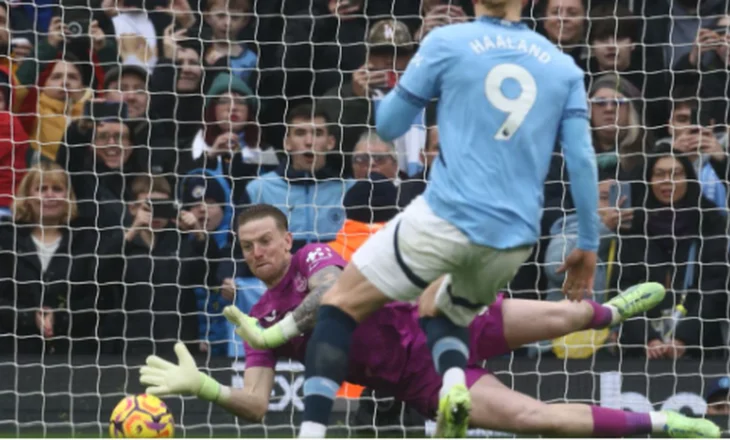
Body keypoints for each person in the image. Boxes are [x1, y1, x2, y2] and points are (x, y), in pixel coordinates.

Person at [138, 204, 720, 438]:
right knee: (532, 417)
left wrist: (281, 330)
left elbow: (325, 294)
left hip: (441, 316)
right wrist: (208, 388)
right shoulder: (258, 314)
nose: (257, 252)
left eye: (266, 240)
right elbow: (258, 403)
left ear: (288, 238)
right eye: (247, 247)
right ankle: (665, 424)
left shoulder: (316, 257)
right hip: (419, 382)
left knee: (564, 316)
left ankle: (611, 309)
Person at [299, 0, 601, 436]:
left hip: (447, 214)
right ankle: (455, 384)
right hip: (514, 238)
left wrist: (399, 87)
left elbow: (387, 126)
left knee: (338, 307)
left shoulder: (447, 41)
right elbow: (582, 159)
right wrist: (587, 244)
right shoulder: (563, 67)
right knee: (444, 307)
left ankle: (310, 432)